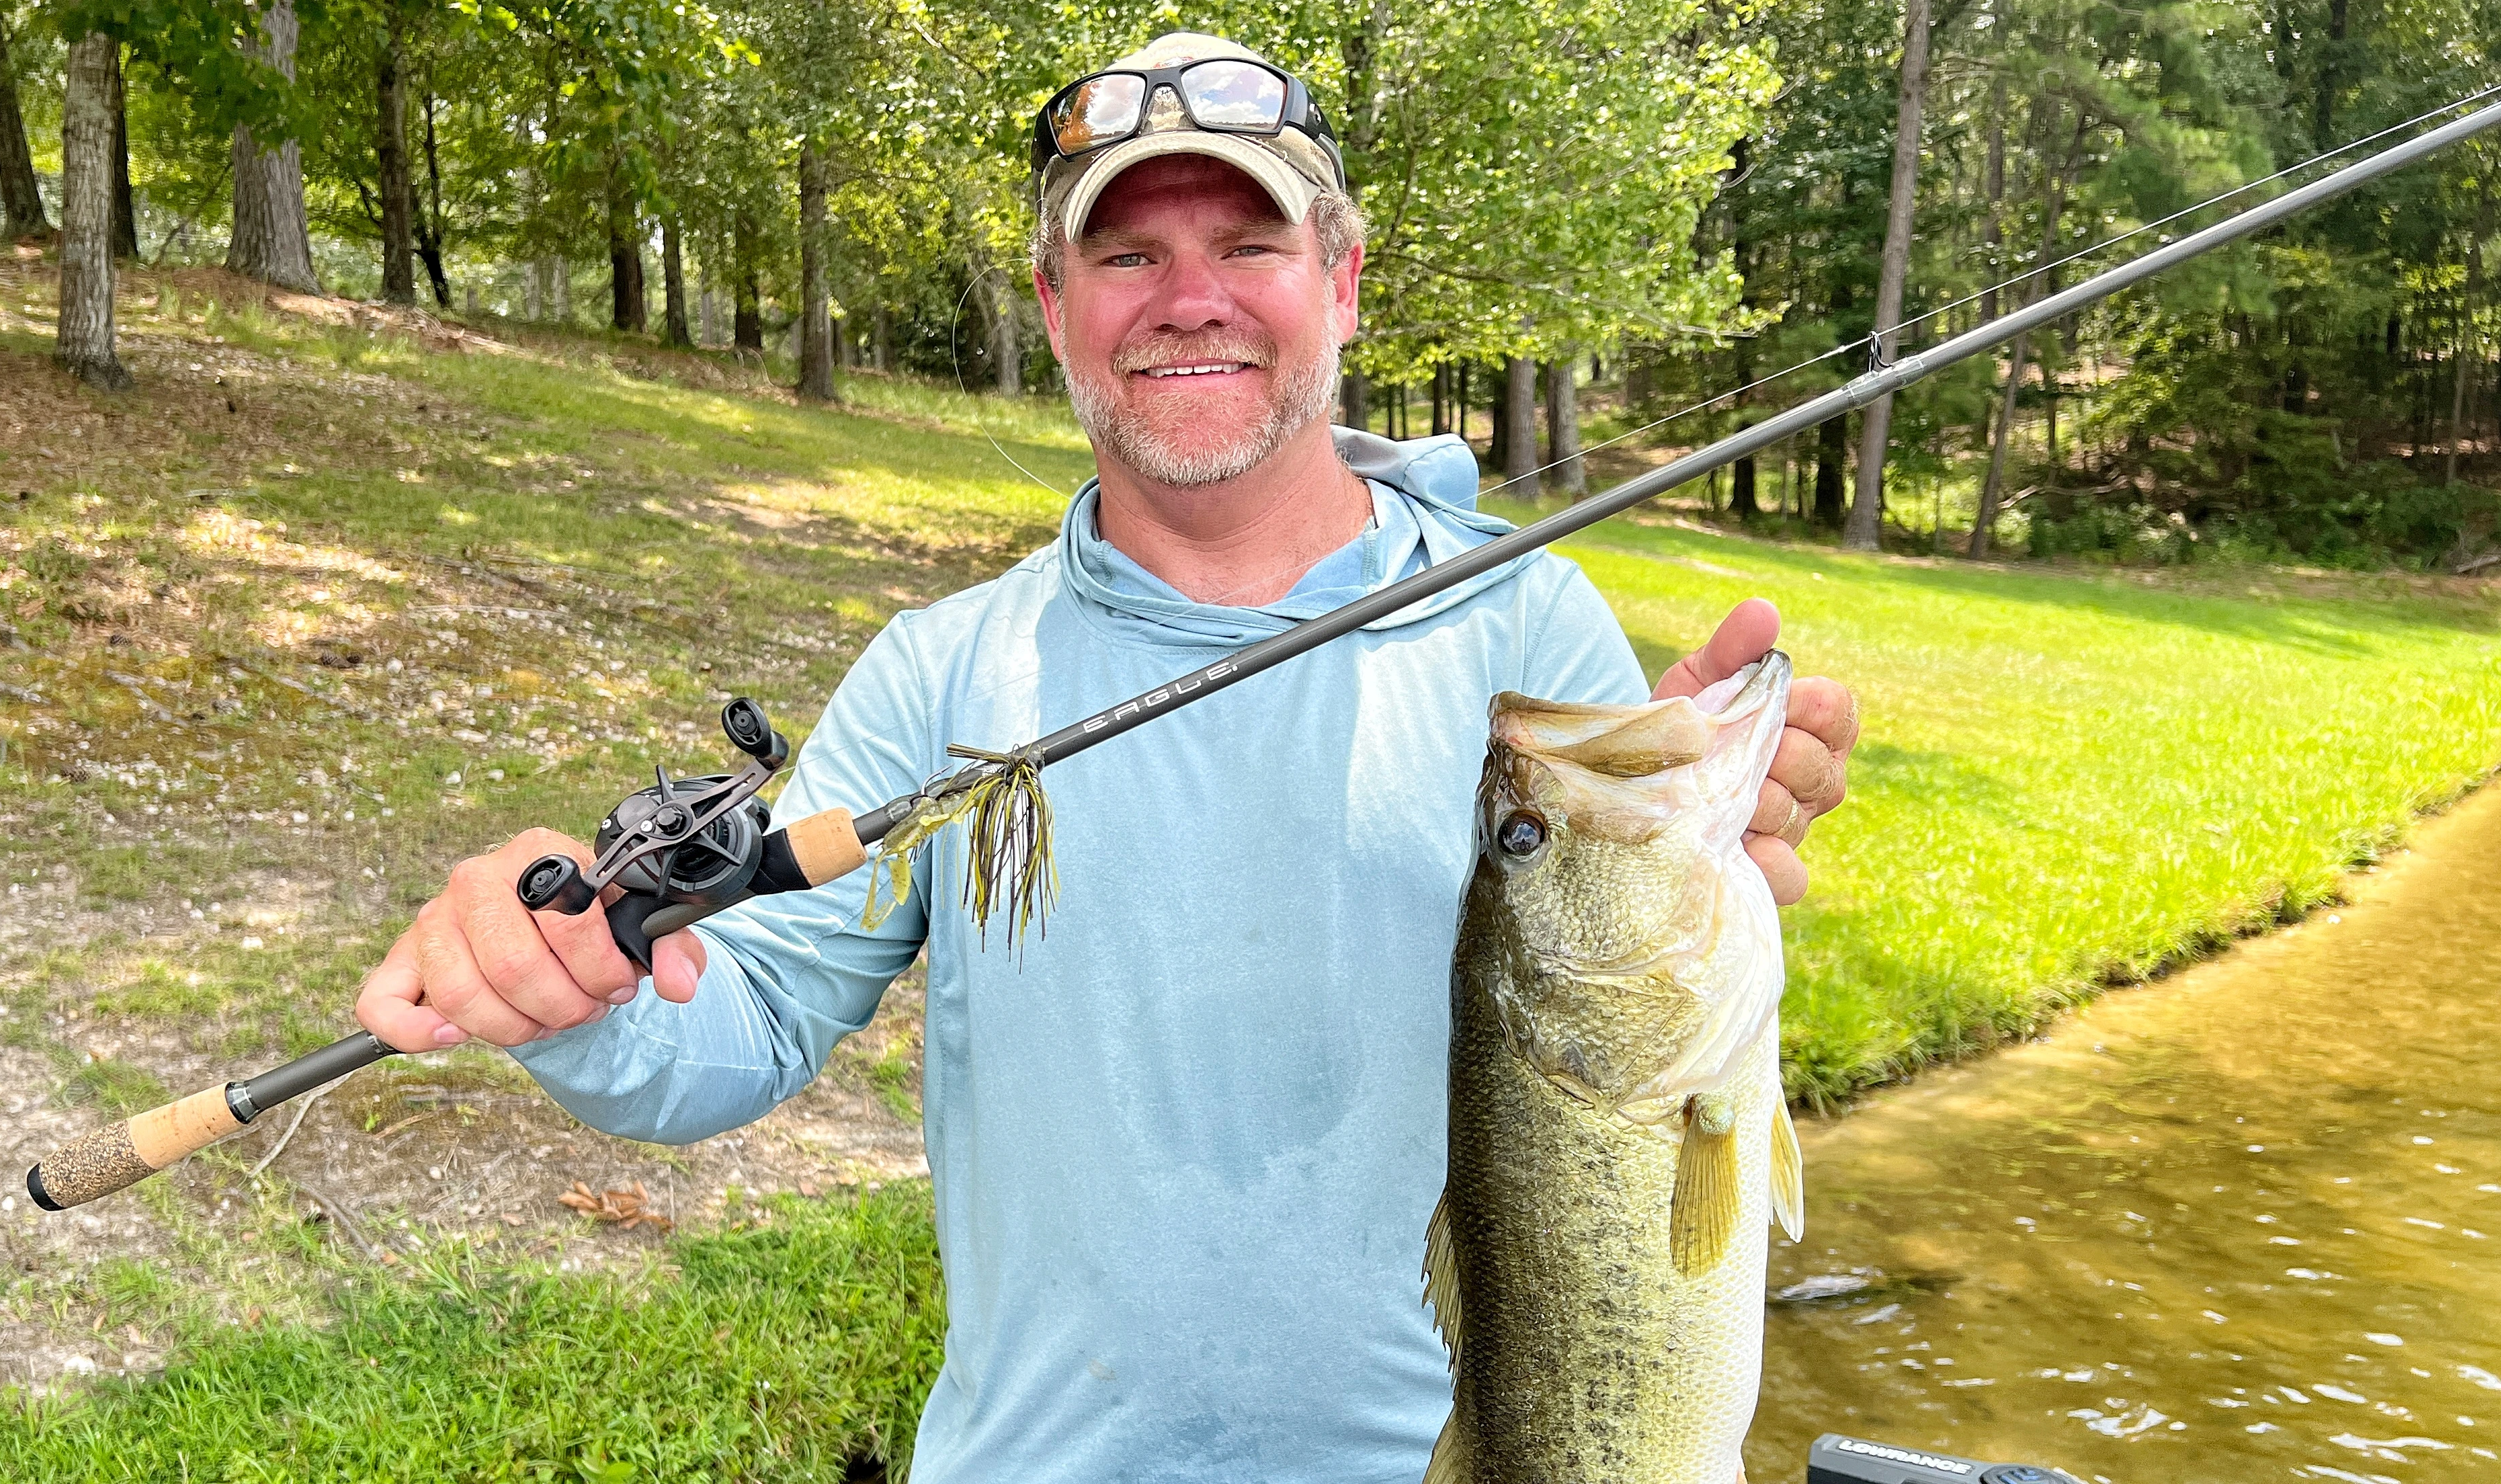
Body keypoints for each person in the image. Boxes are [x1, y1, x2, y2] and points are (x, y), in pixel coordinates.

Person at [356, 32, 1857, 1484]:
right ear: (1052, 301)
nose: (1188, 299)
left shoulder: (1522, 621)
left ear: (1339, 283)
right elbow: (736, 1026)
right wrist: (574, 994)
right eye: (1128, 256)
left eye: (1248, 245)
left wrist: (1712, 840)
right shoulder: (944, 672)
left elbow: (1641, 1015)